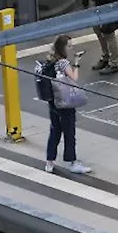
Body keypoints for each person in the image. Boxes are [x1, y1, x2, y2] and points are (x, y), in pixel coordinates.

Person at [44, 34, 92, 175]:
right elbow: (74, 78)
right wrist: (76, 63)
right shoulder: (63, 62)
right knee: (69, 132)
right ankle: (73, 162)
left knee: (55, 131)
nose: (71, 48)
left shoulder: (51, 59)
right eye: (69, 46)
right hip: (65, 102)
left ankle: (49, 162)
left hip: (53, 100)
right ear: (63, 47)